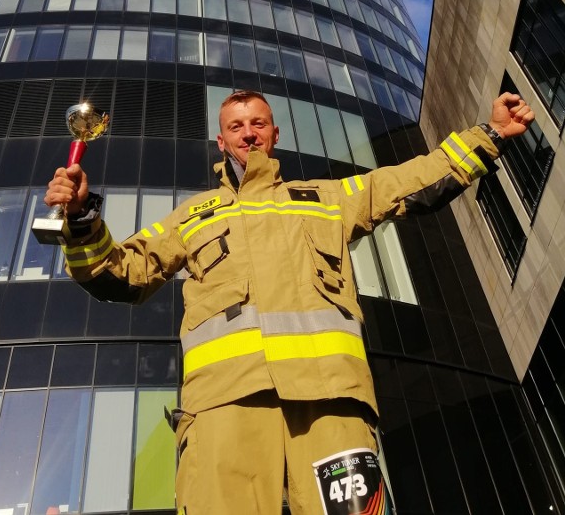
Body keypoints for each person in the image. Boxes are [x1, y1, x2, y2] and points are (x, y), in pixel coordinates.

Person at [44, 89, 534, 515]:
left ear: (275, 133)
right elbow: (121, 273)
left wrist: (489, 133)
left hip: (330, 405)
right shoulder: (192, 216)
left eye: (258, 123)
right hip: (223, 405)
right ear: (222, 141)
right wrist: (83, 215)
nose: (248, 134)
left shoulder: (328, 197)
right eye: (236, 126)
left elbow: (411, 180)